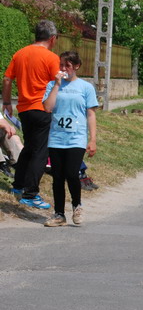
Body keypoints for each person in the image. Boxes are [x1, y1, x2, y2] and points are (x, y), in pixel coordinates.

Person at [2, 20, 61, 209]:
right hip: (42, 109)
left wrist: (6, 102)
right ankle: (31, 193)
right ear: (52, 38)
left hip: (24, 109)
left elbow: (7, 79)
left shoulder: (20, 54)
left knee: (29, 148)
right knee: (40, 152)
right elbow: (58, 84)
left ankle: (18, 185)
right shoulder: (51, 58)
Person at [41, 51, 98, 227]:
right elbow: (47, 108)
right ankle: (59, 214)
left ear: (76, 66)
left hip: (76, 138)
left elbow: (91, 114)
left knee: (72, 173)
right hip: (56, 137)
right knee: (57, 176)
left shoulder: (86, 87)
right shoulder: (52, 85)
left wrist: (92, 139)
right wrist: (57, 85)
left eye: (68, 65)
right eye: (61, 65)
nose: (64, 69)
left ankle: (76, 206)